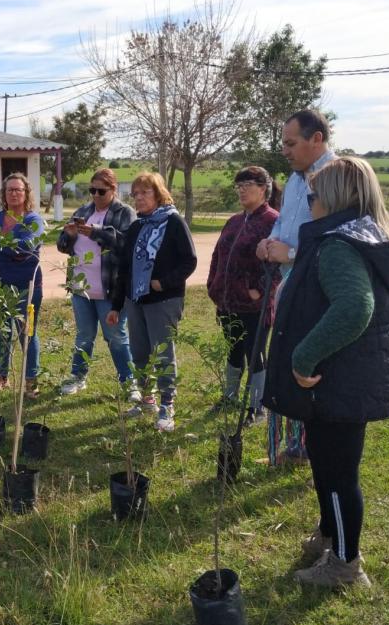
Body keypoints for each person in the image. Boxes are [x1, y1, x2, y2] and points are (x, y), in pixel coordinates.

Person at [263, 157, 389, 587]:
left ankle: (346, 563)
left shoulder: (337, 246)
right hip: (358, 371)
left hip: (335, 377)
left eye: (312, 196)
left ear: (332, 199)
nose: (308, 203)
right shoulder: (388, 237)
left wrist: (303, 358)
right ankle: (330, 534)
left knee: (337, 473)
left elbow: (355, 307)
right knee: (329, 465)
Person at [256, 109, 337, 465]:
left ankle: (306, 446)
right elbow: (285, 227)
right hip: (288, 284)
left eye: (291, 143)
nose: (285, 151)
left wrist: (289, 253)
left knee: (305, 365)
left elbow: (339, 241)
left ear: (316, 139)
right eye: (283, 144)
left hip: (316, 290)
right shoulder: (293, 181)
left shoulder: (336, 179)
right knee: (283, 361)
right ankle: (289, 444)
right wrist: (270, 242)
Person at [107, 172, 197, 432]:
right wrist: (116, 305)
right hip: (136, 300)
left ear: (158, 193)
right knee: (140, 351)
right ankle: (148, 398)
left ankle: (168, 403)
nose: (138, 198)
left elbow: (189, 261)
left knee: (162, 352)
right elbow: (125, 268)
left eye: (144, 192)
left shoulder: (174, 222)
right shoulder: (137, 226)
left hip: (164, 299)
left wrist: (164, 282)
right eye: (135, 194)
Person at [206, 166, 281, 425]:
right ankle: (229, 396)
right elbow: (218, 255)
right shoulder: (235, 221)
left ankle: (257, 407)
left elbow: (279, 265)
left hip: (255, 307)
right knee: (234, 350)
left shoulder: (273, 221)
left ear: (263, 188)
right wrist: (213, 284)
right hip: (228, 302)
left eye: (247, 184)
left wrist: (259, 291)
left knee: (255, 353)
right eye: (238, 186)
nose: (241, 190)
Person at [56, 168, 136, 396]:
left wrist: (96, 233)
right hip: (82, 289)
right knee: (84, 336)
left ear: (113, 190)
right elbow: (62, 246)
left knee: (116, 337)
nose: (96, 195)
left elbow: (126, 243)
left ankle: (128, 382)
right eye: (92, 190)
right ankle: (78, 377)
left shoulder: (124, 213)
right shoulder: (83, 211)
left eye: (101, 191)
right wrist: (69, 235)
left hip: (110, 290)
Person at [0, 172, 45, 398]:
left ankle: (31, 381)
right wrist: (9, 250)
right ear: (3, 195)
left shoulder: (33, 220)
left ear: (26, 194)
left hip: (27, 285)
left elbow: (26, 247)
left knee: (28, 332)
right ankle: (1, 376)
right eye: (9, 190)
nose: (14, 193)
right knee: (1, 331)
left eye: (18, 189)